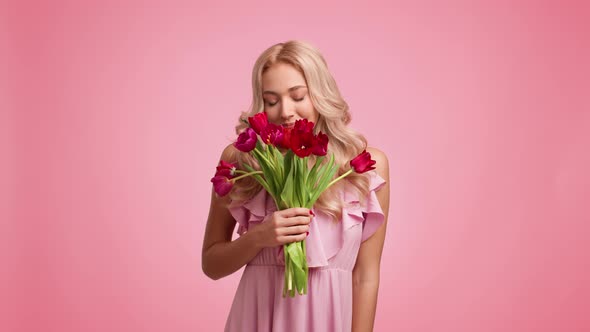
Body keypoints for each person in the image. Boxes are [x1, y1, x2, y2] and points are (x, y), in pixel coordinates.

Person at [202, 40, 390, 332]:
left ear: (320, 94)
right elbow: (211, 264)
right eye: (272, 101)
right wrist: (257, 238)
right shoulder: (242, 161)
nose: (286, 112)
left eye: (298, 96)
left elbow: (365, 275)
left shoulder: (364, 166)